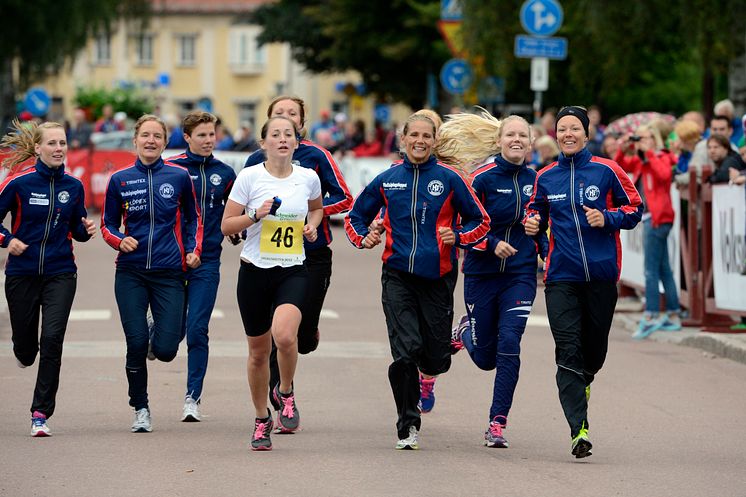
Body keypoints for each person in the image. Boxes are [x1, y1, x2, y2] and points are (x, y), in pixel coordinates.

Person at [344, 112, 490, 450]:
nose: (420, 141)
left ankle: (443, 352)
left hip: (438, 277)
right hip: (397, 277)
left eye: (427, 136)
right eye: (414, 135)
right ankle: (408, 424)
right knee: (405, 352)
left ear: (435, 141)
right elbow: (356, 216)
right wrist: (363, 237)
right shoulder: (387, 179)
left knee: (436, 357)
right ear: (403, 140)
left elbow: (480, 221)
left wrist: (459, 236)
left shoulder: (451, 178)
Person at [524, 106, 642, 459]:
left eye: (574, 128)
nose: (567, 134)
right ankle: (579, 429)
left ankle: (584, 380)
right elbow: (535, 213)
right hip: (561, 278)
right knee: (568, 350)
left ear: (587, 135)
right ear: (556, 135)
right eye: (562, 129)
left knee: (594, 353)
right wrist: (537, 235)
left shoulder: (608, 171)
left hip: (602, 277)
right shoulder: (544, 176)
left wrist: (605, 217)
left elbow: (635, 210)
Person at [440, 112, 548, 449]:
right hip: (481, 273)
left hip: (520, 274)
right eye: (510, 135)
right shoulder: (481, 180)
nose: (517, 140)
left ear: (531, 143)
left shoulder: (538, 180)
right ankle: (464, 331)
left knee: (510, 345)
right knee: (486, 358)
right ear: (499, 141)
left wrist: (539, 234)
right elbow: (455, 230)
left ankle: (497, 423)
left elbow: (543, 222)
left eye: (523, 135)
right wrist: (488, 243)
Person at [244, 96, 352, 415]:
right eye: (279, 115)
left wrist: (305, 213)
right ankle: (281, 391)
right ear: (268, 126)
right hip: (268, 258)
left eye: (293, 115)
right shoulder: (254, 160)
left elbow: (344, 198)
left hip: (312, 254)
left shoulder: (317, 157)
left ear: (301, 125)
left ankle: (310, 332)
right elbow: (241, 204)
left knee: (302, 339)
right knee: (279, 333)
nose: (286, 120)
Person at [222, 115, 323, 451]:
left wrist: (312, 225)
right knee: (257, 354)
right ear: (263, 142)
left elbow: (317, 209)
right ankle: (261, 417)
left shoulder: (308, 177)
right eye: (275, 134)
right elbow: (226, 226)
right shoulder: (249, 177)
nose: (282, 139)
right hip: (254, 271)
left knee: (284, 336)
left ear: (297, 142)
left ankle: (286, 391)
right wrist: (255, 215)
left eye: (289, 134)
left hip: (292, 269)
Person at [101, 114, 203, 433]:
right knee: (135, 344)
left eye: (157, 136)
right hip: (130, 272)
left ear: (164, 141)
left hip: (169, 272)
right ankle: (141, 407)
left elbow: (192, 218)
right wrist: (119, 240)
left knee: (166, 350)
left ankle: (154, 330)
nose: (151, 141)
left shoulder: (179, 177)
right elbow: (107, 224)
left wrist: (192, 249)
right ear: (135, 140)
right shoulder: (119, 179)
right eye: (145, 135)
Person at [0, 120, 97, 436]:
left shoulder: (73, 186)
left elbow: (76, 229)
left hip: (61, 273)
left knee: (52, 339)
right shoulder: (18, 183)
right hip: (21, 273)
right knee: (26, 350)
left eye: (63, 143)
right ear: (38, 148)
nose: (59, 149)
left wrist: (85, 230)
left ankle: (40, 413)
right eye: (52, 143)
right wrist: (7, 240)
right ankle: (21, 351)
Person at [166, 111, 238, 421]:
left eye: (212, 135)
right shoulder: (172, 169)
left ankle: (192, 398)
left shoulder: (225, 172)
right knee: (172, 336)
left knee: (198, 329)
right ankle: (158, 329)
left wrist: (237, 230)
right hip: (173, 258)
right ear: (187, 138)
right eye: (202, 135)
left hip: (208, 259)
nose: (209, 140)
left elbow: (233, 211)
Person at [614, 124, 681, 338]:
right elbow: (620, 165)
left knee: (650, 270)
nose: (640, 141)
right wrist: (624, 147)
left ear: (654, 139)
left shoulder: (662, 156)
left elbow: (663, 175)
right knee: (663, 268)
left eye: (644, 138)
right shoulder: (643, 159)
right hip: (652, 218)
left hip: (658, 218)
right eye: (639, 138)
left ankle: (651, 315)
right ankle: (672, 314)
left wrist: (648, 152)